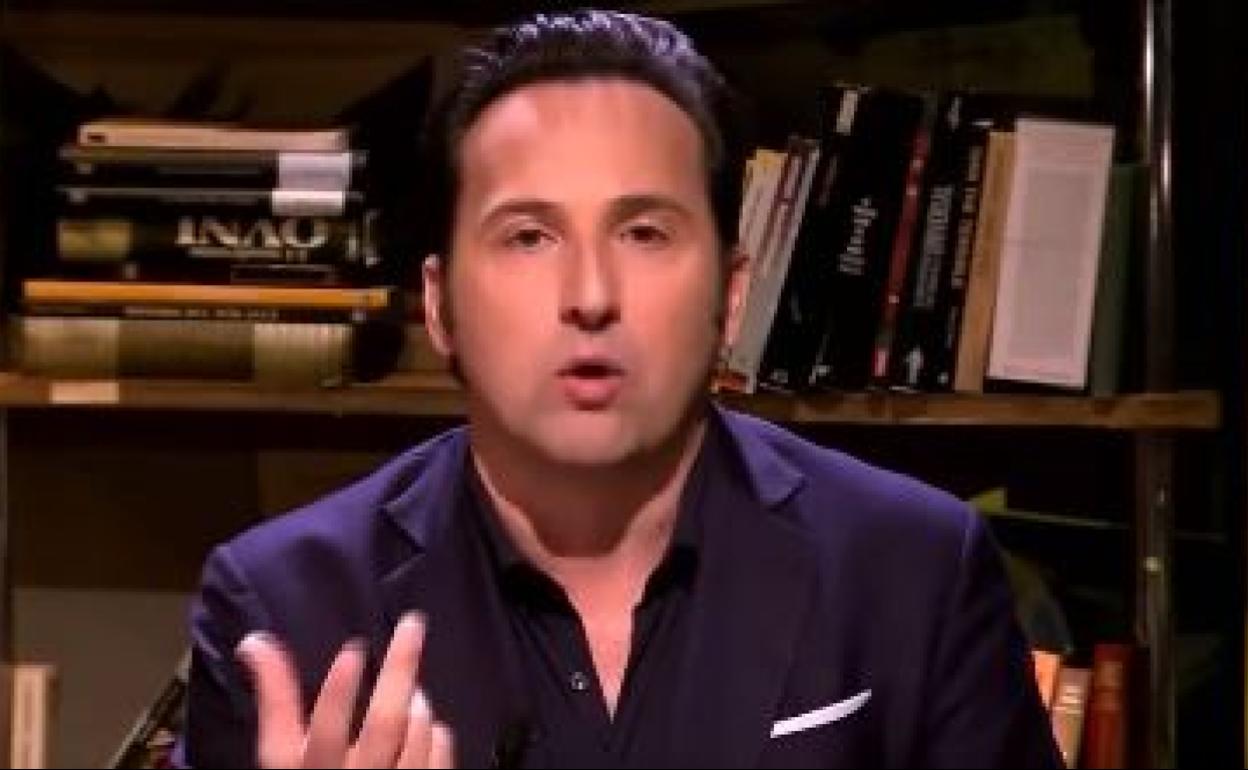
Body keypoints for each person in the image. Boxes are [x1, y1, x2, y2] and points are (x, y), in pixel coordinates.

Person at [177, 9, 1062, 768]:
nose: (591, 295)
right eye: (528, 237)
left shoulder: (913, 571)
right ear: (440, 305)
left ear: (732, 294)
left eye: (644, 233)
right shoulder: (284, 608)